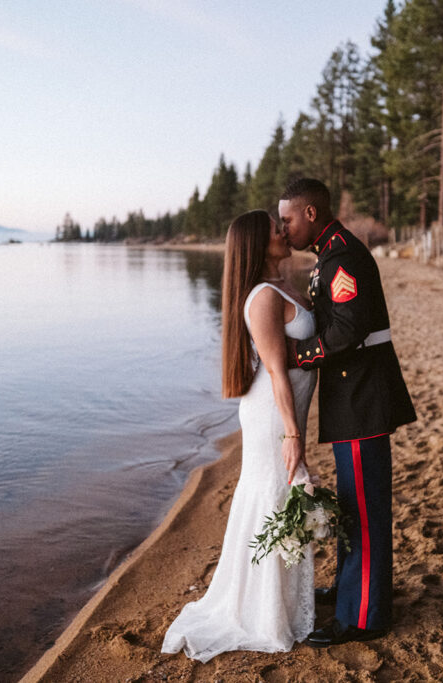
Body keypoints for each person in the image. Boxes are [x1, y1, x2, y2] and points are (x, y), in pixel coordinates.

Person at [161, 209, 317, 662]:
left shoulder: (286, 284)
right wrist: (292, 434)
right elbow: (275, 371)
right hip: (272, 411)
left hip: (287, 406)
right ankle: (262, 611)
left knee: (281, 494)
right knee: (273, 492)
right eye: (275, 229)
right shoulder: (263, 298)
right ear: (256, 243)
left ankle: (279, 602)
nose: (283, 232)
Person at [278, 178, 416, 647]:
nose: (284, 227)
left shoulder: (343, 257)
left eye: (288, 219)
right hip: (352, 395)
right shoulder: (329, 255)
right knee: (355, 504)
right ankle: (351, 591)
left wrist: (296, 355)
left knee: (365, 509)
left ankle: (363, 617)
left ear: (311, 214)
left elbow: (348, 331)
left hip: (361, 397)